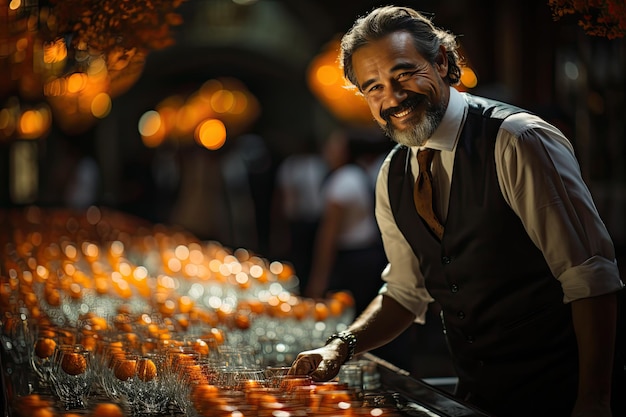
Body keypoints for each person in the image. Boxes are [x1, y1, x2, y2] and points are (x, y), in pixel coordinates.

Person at [288, 6, 625, 417]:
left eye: (404, 73)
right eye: (373, 87)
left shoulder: (517, 140)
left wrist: (594, 400)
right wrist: (341, 345)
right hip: (479, 396)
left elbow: (591, 277)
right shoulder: (393, 172)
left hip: (563, 394)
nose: (392, 98)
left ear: (443, 61)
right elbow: (405, 293)